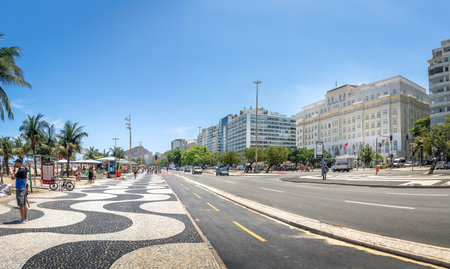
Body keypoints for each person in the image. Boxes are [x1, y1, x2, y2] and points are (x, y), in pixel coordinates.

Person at [11, 159, 28, 224]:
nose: (15, 164)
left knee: (21, 205)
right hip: (23, 188)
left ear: (19, 163)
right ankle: (25, 218)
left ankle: (22, 219)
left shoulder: (20, 170)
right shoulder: (24, 169)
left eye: (16, 163)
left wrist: (13, 170)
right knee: (24, 204)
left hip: (20, 189)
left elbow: (13, 177)